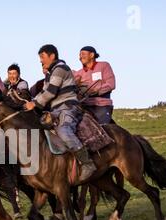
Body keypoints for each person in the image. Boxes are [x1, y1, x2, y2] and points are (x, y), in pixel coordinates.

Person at [24, 44, 96, 182]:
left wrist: (34, 104)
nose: (40, 60)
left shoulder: (60, 68)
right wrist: (30, 102)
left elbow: (50, 92)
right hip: (55, 110)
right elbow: (43, 92)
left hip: (68, 107)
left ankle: (87, 163)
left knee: (64, 131)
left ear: (52, 56)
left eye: (42, 57)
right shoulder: (50, 73)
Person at [73, 46, 116, 124]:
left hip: (102, 104)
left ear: (92, 55)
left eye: (83, 54)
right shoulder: (78, 73)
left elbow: (111, 84)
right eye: (79, 55)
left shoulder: (104, 65)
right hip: (85, 105)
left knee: (101, 127)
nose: (80, 57)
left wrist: (94, 90)